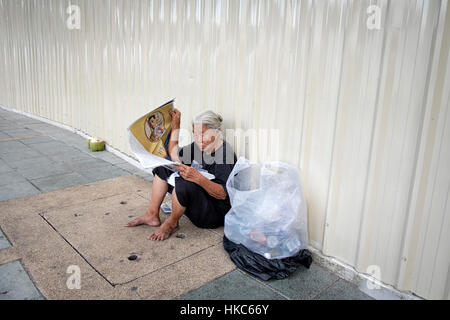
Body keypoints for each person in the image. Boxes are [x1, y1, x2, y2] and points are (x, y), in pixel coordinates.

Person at [125, 108, 237, 241]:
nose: (198, 139)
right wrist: (176, 126)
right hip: (199, 201)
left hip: (213, 214)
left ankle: (172, 223)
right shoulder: (198, 146)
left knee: (184, 183)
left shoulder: (224, 154)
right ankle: (152, 214)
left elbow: (223, 194)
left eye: (203, 134)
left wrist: (198, 178)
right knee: (164, 168)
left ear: (217, 133)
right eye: (195, 134)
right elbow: (174, 156)